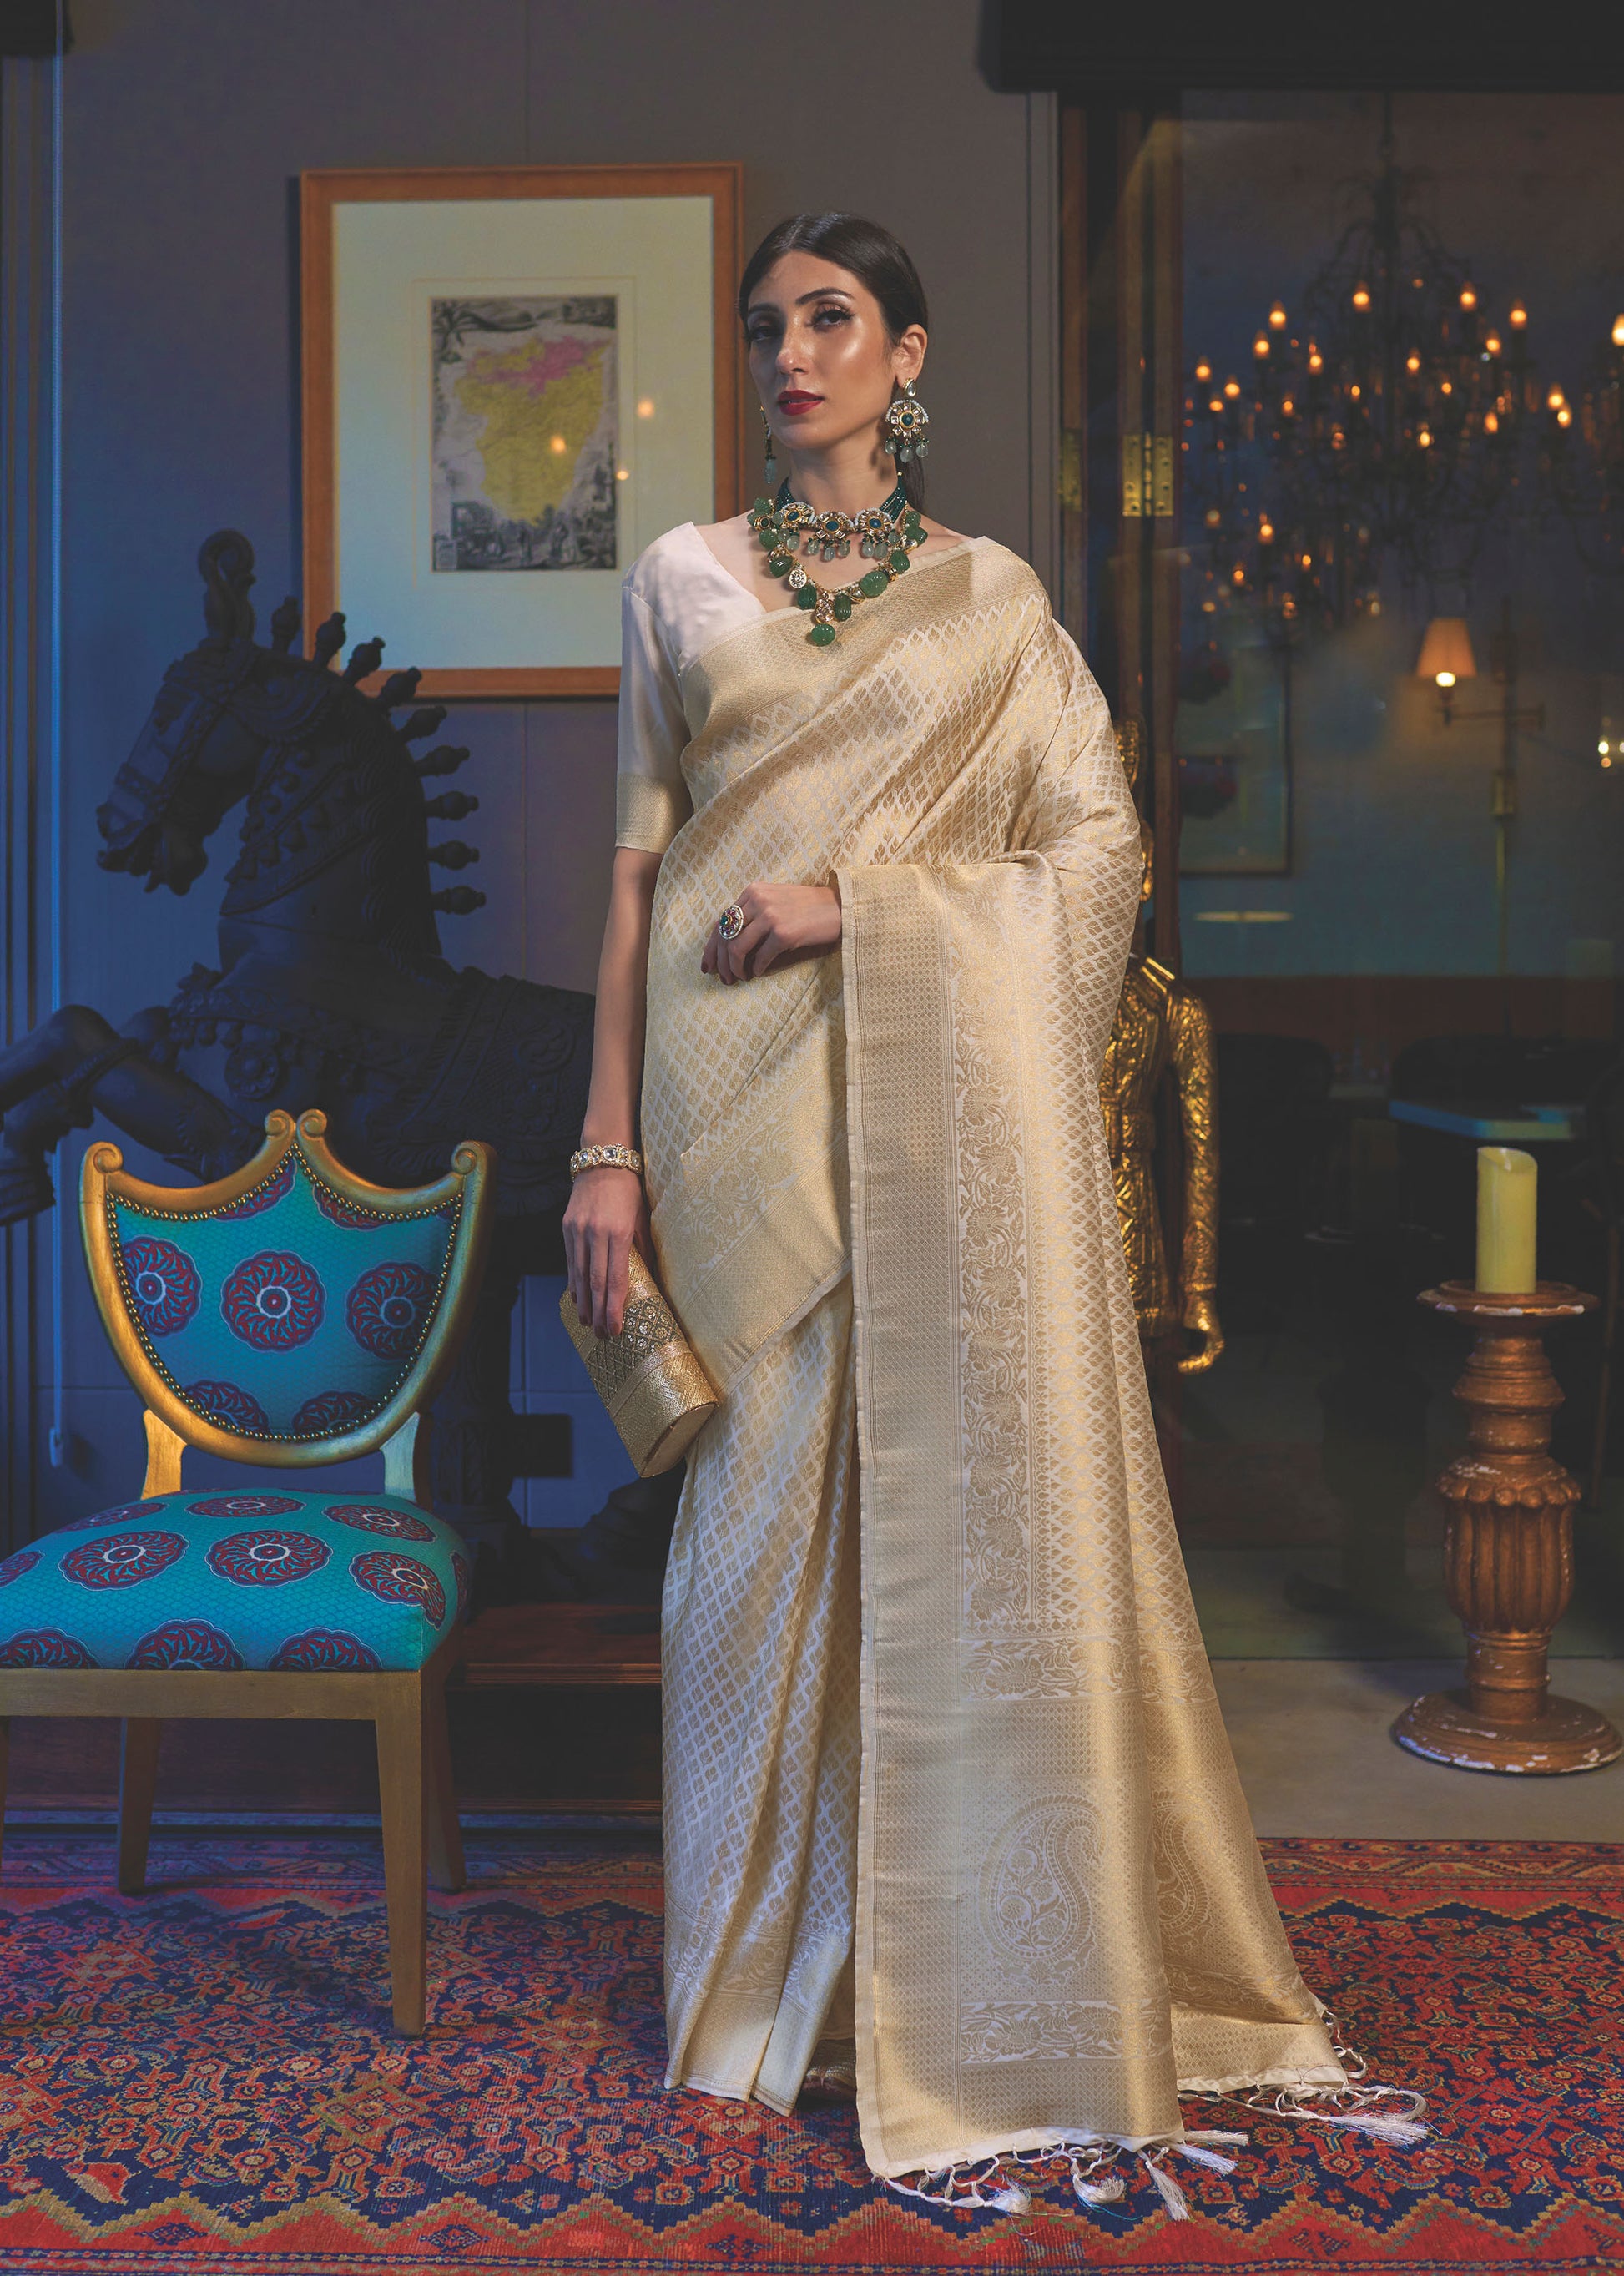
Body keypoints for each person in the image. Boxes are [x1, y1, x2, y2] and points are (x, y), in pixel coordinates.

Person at [562, 213, 1421, 2213]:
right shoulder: (678, 576)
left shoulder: (991, 603)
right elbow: (633, 874)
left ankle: (948, 1984)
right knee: (749, 1546)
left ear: (909, 354)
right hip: (722, 1094)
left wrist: (859, 910)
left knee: (943, 1526)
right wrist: (602, 1144)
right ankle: (758, 1989)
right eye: (766, 326)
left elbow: (1096, 855)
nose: (792, 354)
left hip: (920, 1102)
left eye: (831, 319)